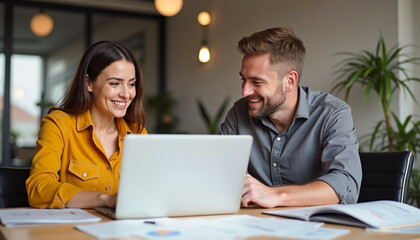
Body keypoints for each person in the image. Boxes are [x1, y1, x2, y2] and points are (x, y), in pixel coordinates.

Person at [220, 27, 362, 208]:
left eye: (257, 82)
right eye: (244, 79)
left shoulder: (332, 113)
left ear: (290, 81)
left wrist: (276, 196)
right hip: (253, 226)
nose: (245, 91)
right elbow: (219, 174)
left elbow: (346, 184)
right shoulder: (239, 113)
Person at [26, 41, 147, 209]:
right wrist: (106, 199)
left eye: (131, 84)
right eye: (114, 83)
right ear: (89, 83)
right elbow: (38, 188)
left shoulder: (137, 134)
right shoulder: (59, 124)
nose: (126, 94)